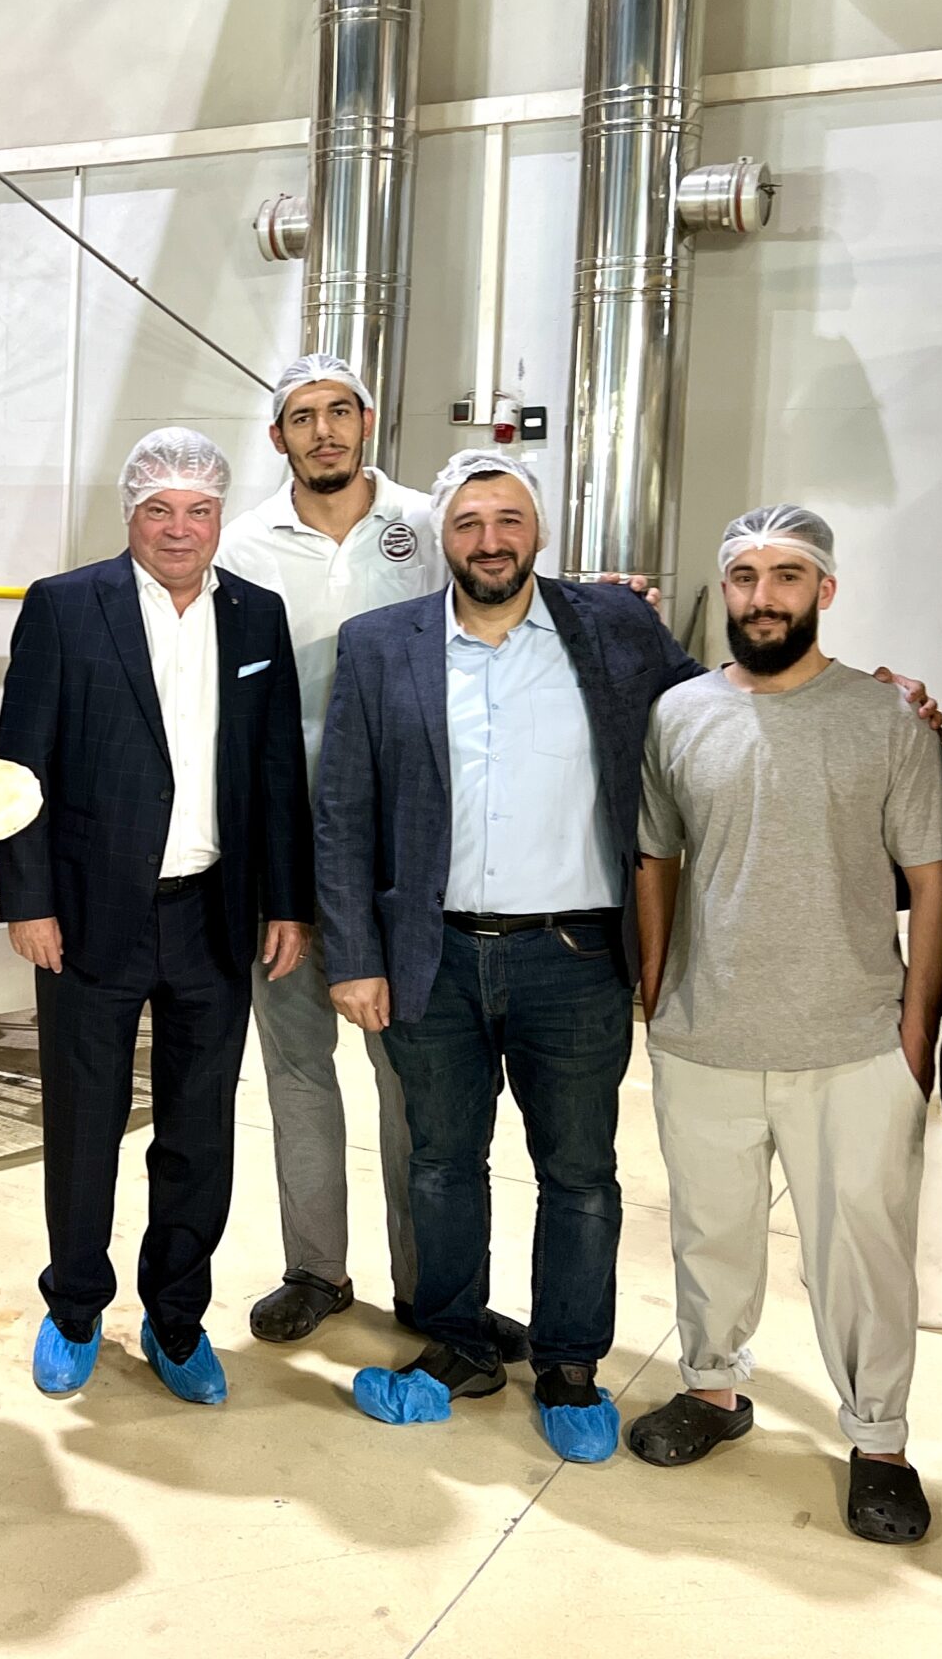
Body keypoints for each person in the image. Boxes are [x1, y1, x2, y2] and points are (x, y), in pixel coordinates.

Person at [317, 452, 704, 1461]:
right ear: (441, 539)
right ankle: (456, 1344)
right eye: (468, 523)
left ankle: (571, 1362)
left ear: (538, 530)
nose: (489, 539)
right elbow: (344, 810)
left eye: (508, 519)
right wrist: (354, 957)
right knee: (442, 1164)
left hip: (573, 955)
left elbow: (715, 719)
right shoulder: (379, 644)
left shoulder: (616, 628)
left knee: (578, 1171)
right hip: (428, 956)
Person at [626, 506, 942, 1545]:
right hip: (705, 1034)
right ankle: (712, 1390)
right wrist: (656, 995)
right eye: (743, 577)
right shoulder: (678, 713)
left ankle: (878, 1438)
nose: (762, 597)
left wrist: (914, 1033)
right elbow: (655, 860)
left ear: (825, 590)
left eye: (786, 576)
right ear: (721, 590)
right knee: (707, 1232)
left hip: (851, 1040)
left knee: (861, 1253)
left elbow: (932, 882)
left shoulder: (884, 719)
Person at [0, 428, 313, 1404]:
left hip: (214, 914)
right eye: (159, 510)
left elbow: (274, 772)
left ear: (222, 516)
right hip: (91, 913)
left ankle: (177, 1320)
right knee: (82, 1121)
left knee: (198, 1131)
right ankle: (76, 1308)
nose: (180, 529)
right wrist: (30, 899)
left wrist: (289, 902)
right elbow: (21, 763)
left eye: (199, 510)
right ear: (129, 514)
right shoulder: (64, 608)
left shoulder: (257, 618)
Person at [214, 352, 450, 1344]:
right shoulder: (240, 546)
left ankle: (430, 1284)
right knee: (299, 1070)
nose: (323, 431)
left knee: (415, 1079)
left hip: (406, 853)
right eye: (301, 416)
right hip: (286, 854)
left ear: (367, 420)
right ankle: (316, 1268)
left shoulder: (432, 531)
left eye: (339, 411)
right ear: (278, 439)